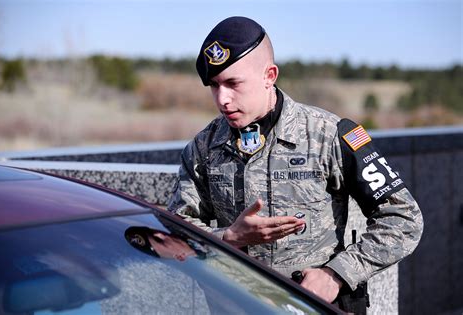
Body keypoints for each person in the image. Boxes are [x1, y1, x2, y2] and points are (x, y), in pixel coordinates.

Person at [167, 16, 423, 310]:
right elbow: (174, 229)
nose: (222, 99)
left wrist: (337, 274)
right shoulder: (204, 148)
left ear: (269, 75)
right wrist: (227, 237)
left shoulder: (329, 135)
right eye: (214, 85)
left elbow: (404, 218)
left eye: (233, 83)